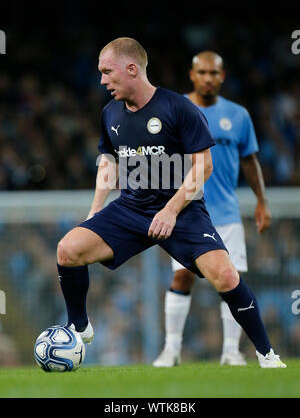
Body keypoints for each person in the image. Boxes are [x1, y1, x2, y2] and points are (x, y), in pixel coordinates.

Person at [56, 37, 286, 368]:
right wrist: (95, 210)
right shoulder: (110, 113)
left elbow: (203, 166)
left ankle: (267, 355)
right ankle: (79, 325)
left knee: (225, 276)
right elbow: (109, 162)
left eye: (107, 72)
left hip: (183, 211)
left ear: (131, 69)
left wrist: (170, 209)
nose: (102, 80)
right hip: (131, 208)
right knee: (68, 250)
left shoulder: (178, 108)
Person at [153, 51, 272, 368]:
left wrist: (262, 200)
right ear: (191, 75)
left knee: (231, 280)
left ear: (222, 76)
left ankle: (231, 351)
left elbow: (250, 161)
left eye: (214, 73)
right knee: (182, 278)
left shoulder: (238, 115)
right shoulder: (172, 108)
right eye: (202, 72)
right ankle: (171, 349)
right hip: (187, 212)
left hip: (227, 214)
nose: (208, 78)